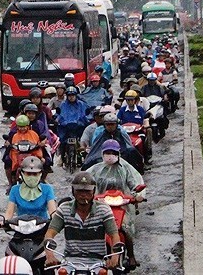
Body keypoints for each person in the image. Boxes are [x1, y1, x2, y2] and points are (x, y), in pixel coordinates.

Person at [43, 172, 122, 270]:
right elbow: (50, 233)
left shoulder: (104, 210)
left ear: (93, 191)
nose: (83, 195)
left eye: (87, 191)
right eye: (79, 191)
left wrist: (115, 257)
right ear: (73, 191)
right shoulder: (64, 209)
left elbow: (114, 235)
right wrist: (50, 255)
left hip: (97, 262)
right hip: (70, 261)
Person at [86, 140, 145, 270]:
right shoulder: (96, 169)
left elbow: (133, 184)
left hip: (121, 205)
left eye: (113, 152)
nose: (110, 155)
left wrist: (137, 195)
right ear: (102, 153)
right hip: (100, 204)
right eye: (107, 152)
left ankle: (131, 255)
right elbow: (86, 180)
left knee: (125, 227)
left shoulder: (125, 169)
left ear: (118, 153)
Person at [2, 156, 57, 222]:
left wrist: (56, 220)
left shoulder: (47, 189)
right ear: (22, 173)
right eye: (28, 173)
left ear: (40, 174)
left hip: (43, 227)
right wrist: (4, 221)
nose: (31, 176)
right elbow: (9, 213)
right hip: (21, 227)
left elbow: (52, 211)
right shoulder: (15, 190)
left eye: (35, 174)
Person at [118, 90, 152, 162]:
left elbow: (145, 120)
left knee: (143, 139)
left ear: (135, 100)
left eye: (131, 100)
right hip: (124, 132)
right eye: (127, 100)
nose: (129, 102)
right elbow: (118, 120)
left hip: (138, 132)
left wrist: (146, 126)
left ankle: (146, 158)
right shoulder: (122, 110)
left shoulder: (140, 110)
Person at [56, 86, 88, 156]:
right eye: (69, 95)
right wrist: (59, 120)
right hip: (66, 128)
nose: (71, 97)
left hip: (79, 128)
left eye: (73, 95)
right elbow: (59, 115)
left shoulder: (81, 104)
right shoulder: (63, 104)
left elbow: (86, 115)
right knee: (61, 142)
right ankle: (61, 156)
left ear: (76, 95)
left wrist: (84, 120)